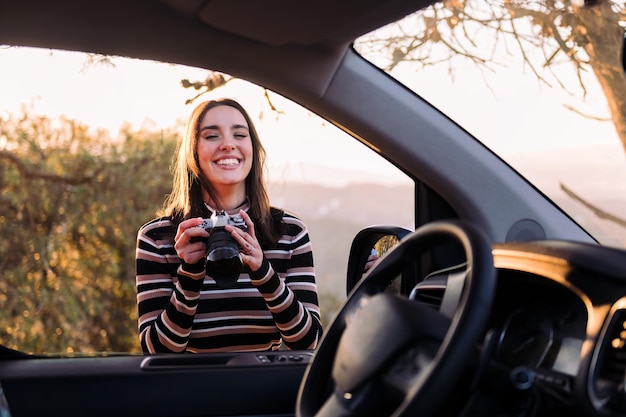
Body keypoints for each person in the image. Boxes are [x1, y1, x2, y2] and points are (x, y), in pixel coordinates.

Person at [135, 98, 322, 353]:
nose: (227, 144)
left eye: (239, 134)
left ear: (253, 148)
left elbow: (308, 342)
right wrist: (190, 274)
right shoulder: (157, 238)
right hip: (189, 389)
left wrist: (263, 271)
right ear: (194, 151)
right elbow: (157, 351)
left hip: (267, 389)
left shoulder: (289, 231)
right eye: (212, 136)